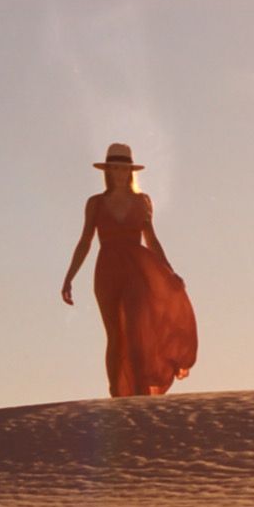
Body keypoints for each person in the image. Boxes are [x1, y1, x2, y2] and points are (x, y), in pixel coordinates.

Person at [61, 143, 198, 397]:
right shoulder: (95, 203)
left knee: (137, 330)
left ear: (130, 172)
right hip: (107, 270)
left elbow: (152, 240)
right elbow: (85, 242)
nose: (119, 173)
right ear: (108, 172)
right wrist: (69, 277)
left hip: (138, 269)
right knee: (114, 335)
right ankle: (117, 394)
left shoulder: (142, 201)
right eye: (114, 168)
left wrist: (168, 271)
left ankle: (139, 394)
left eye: (123, 168)